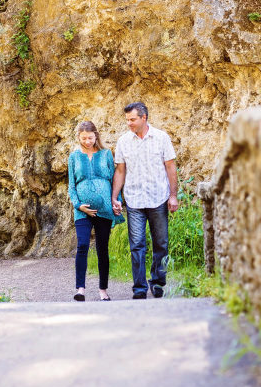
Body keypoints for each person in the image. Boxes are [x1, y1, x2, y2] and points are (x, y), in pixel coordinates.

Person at [111, 102, 178, 299]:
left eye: (132, 119)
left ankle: (158, 283)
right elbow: (121, 171)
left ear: (144, 118)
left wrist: (173, 195)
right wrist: (115, 196)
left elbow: (170, 167)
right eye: (127, 120)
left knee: (161, 243)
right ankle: (139, 288)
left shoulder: (161, 138)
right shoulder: (123, 141)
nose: (129, 123)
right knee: (137, 245)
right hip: (134, 200)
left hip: (158, 198)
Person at [67, 121, 124, 301]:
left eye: (90, 138)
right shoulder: (74, 157)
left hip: (104, 208)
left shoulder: (106, 154)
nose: (87, 141)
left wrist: (117, 201)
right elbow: (71, 186)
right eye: (83, 138)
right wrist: (78, 205)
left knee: (102, 248)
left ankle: (103, 290)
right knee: (82, 244)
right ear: (78, 137)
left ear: (96, 135)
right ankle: (80, 289)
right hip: (82, 210)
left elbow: (114, 179)